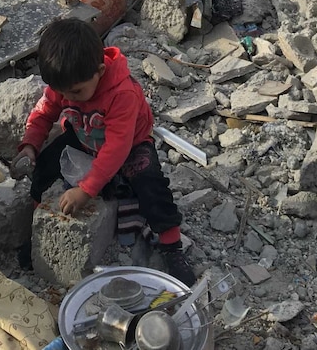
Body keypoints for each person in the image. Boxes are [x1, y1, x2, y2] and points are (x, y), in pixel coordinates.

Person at [13, 19, 195, 286]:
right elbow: (44, 113)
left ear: (99, 71)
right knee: (44, 167)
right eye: (63, 92)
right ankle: (39, 229)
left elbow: (116, 148)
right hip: (84, 134)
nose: (69, 98)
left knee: (150, 182)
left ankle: (171, 245)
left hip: (130, 144)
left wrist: (86, 190)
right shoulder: (66, 82)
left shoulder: (122, 93)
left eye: (75, 92)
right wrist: (30, 145)